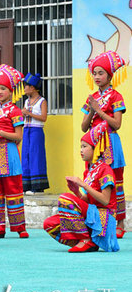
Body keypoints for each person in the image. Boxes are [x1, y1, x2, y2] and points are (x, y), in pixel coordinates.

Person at [43, 122, 119, 253]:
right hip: (91, 215)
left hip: (103, 218)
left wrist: (83, 185)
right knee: (49, 224)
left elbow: (105, 201)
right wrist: (77, 192)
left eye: (84, 146)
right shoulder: (89, 170)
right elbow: (88, 201)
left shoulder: (105, 170)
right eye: (81, 147)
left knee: (65, 198)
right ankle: (85, 241)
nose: (81, 150)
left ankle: (86, 240)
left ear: (95, 148)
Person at [81, 51, 127, 238]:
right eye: (95, 73)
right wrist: (92, 111)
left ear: (109, 75)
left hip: (110, 142)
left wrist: (99, 110)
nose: (97, 77)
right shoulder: (91, 97)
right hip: (93, 143)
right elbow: (84, 127)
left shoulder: (116, 97)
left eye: (101, 73)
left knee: (115, 181)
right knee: (94, 180)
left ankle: (120, 221)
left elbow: (116, 124)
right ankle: (96, 219)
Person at [0, 64, 29, 239]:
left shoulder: (15, 111)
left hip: (9, 152)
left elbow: (18, 136)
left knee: (13, 187)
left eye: (3, 88)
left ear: (11, 91)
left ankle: (19, 227)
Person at [21, 73, 49, 194]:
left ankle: (37, 186)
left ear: (32, 87)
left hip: (36, 131)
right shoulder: (26, 101)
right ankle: (26, 185)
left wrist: (28, 113)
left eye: (26, 86)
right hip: (26, 129)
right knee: (26, 155)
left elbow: (44, 117)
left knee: (35, 156)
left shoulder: (42, 101)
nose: (24, 89)